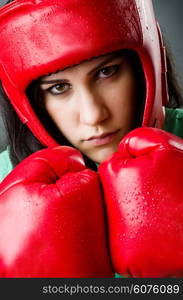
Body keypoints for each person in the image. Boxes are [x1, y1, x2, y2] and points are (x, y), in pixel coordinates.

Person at [0, 0, 183, 278]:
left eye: (106, 72)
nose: (93, 115)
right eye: (59, 88)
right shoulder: (4, 181)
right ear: (33, 102)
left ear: (142, 67)